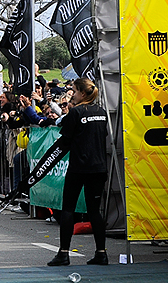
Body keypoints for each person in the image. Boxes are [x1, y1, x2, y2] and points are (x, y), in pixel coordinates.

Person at [46, 77, 109, 267]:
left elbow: (65, 139)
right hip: (98, 167)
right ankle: (101, 253)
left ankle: (63, 253)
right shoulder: (102, 112)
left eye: (73, 90)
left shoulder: (76, 112)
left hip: (79, 167)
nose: (71, 93)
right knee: (94, 210)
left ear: (82, 93)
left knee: (68, 209)